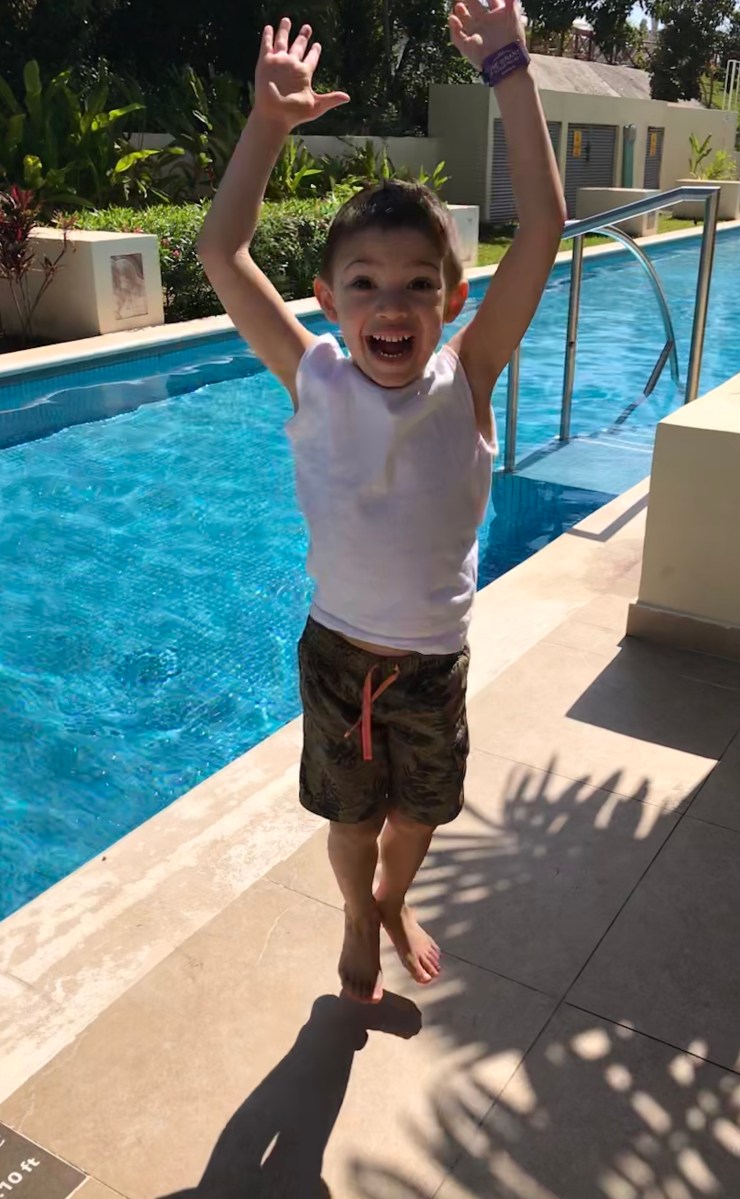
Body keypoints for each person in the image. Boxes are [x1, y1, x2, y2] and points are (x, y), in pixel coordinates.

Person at [197, 1, 566, 1003]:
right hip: (336, 655)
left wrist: (509, 69)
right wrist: (266, 126)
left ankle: (394, 899)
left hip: (431, 664)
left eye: (416, 284)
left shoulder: (467, 377)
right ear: (326, 299)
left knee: (419, 816)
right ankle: (359, 911)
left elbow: (542, 227)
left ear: (452, 299)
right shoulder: (312, 375)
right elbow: (222, 253)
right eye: (363, 283)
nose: (390, 304)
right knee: (351, 819)